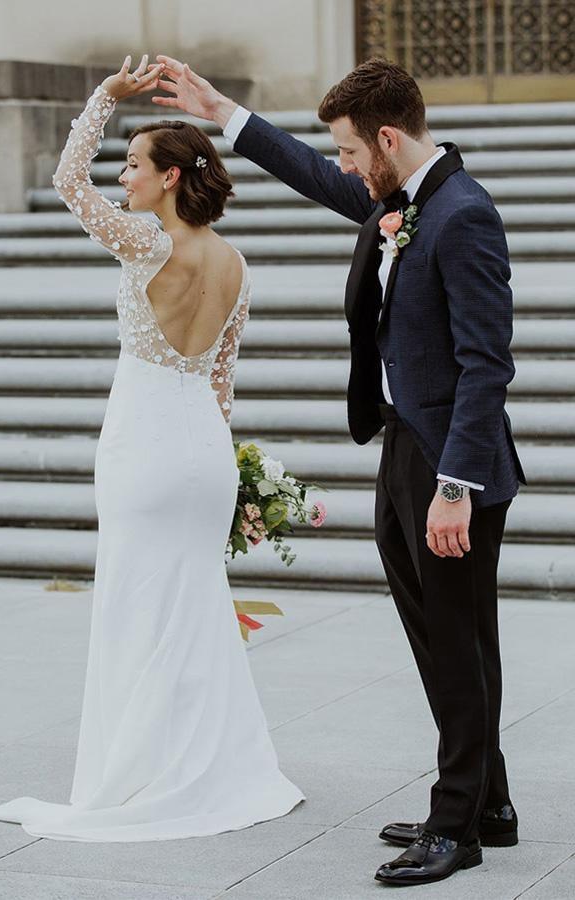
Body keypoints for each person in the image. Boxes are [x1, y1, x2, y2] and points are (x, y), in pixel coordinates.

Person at [151, 54, 526, 885]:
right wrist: (225, 111)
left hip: (450, 464)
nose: (350, 169)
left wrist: (454, 487)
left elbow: (487, 364)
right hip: (401, 444)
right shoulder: (397, 198)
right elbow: (316, 175)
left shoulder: (462, 214)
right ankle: (486, 803)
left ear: (388, 139)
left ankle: (456, 823)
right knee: (443, 638)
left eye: (356, 152)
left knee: (457, 645)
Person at [0, 54, 304, 842]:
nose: (122, 177)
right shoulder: (236, 265)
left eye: (133, 166)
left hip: (142, 445)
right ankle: (213, 763)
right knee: (193, 602)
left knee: (135, 604)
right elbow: (223, 385)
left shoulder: (145, 243)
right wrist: (238, 480)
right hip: (201, 451)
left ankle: (135, 769)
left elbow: (69, 183)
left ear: (170, 179)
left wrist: (102, 97)